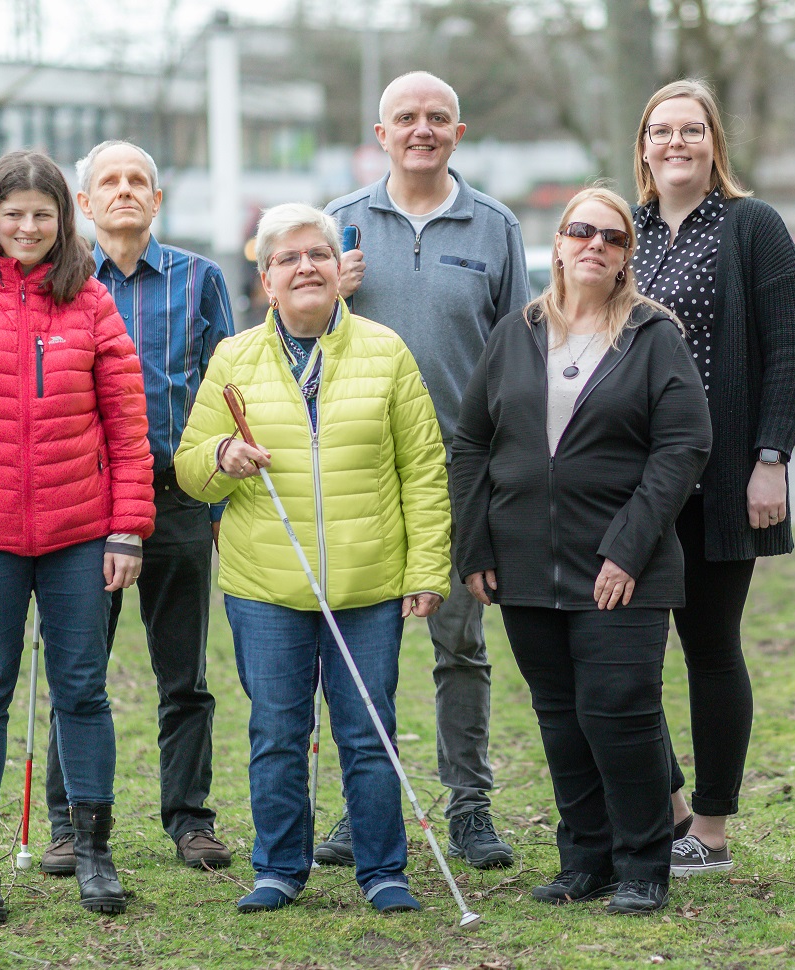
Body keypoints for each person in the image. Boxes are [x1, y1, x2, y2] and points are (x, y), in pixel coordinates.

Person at [0, 150, 155, 921]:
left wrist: (127, 529)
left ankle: (92, 848)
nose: (29, 226)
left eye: (43, 214)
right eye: (15, 213)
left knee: (83, 690)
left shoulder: (91, 305)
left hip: (81, 534)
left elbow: (127, 423)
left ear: (61, 220)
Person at [175, 203, 450, 914]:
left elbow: (422, 468)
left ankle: (383, 870)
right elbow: (189, 469)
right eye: (288, 259)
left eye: (318, 256)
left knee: (368, 731)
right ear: (266, 279)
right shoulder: (234, 357)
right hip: (265, 582)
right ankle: (279, 868)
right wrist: (223, 456)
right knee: (276, 731)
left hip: (368, 581)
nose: (305, 268)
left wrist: (425, 570)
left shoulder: (386, 351)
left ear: (339, 271)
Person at [451, 187, 711, 915]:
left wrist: (627, 550)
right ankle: (586, 858)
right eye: (580, 231)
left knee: (620, 710)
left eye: (613, 236)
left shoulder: (655, 335)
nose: (594, 244)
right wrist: (475, 543)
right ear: (558, 245)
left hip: (623, 566)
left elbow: (683, 446)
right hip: (525, 560)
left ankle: (642, 864)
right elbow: (472, 441)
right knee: (561, 716)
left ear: (628, 255)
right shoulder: (516, 333)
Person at [322, 70, 530, 870]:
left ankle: (469, 808)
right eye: (405, 117)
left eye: (437, 117)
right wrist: (323, 299)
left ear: (458, 132)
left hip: (458, 473)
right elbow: (287, 337)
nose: (422, 129)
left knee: (460, 649)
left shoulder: (495, 227)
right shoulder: (339, 224)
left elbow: (518, 351)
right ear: (380, 135)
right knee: (360, 655)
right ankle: (360, 807)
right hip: (359, 473)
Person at [33, 140, 236, 878]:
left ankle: (190, 819)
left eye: (138, 180)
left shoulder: (201, 279)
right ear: (83, 204)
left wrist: (219, 496)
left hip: (177, 495)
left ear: (157, 199)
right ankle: (70, 822)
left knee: (182, 673)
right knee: (78, 671)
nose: (124, 190)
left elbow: (226, 389)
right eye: (108, 182)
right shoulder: (57, 283)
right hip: (83, 502)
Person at [629, 79, 795, 877]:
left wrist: (770, 460)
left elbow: (788, 352)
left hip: (721, 482)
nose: (676, 143)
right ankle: (668, 809)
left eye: (691, 130)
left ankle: (711, 830)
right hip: (633, 485)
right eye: (661, 131)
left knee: (708, 647)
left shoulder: (752, 226)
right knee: (623, 654)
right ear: (643, 147)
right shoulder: (623, 231)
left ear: (714, 143)